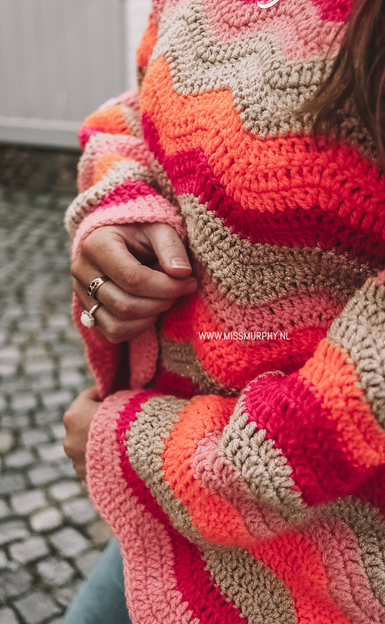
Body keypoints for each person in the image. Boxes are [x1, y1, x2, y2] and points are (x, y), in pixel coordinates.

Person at [63, 0, 385, 622]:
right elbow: (144, 103)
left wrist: (131, 449)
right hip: (176, 528)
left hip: (326, 573)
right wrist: (118, 202)